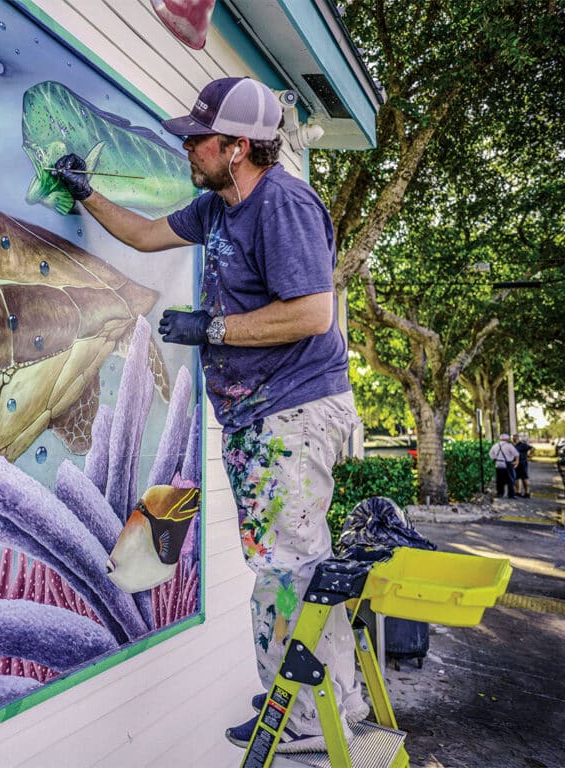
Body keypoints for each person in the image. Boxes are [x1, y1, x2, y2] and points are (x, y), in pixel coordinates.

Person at [52, 76, 367, 754]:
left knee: (286, 569)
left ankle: (308, 720)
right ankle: (325, 695)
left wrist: (214, 331)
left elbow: (313, 313)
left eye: (199, 138)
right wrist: (85, 193)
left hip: (294, 412)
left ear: (240, 147)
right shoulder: (215, 208)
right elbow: (140, 232)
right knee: (297, 563)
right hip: (262, 415)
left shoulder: (280, 205)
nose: (186, 146)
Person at [488, 433, 519, 498]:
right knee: (511, 479)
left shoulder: (495, 445)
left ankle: (500, 493)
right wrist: (516, 461)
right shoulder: (509, 446)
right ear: (507, 439)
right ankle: (511, 494)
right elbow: (516, 454)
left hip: (498, 464)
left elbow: (490, 454)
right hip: (507, 464)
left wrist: (495, 458)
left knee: (499, 480)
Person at [512, 433, 533, 498]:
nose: (513, 438)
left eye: (515, 437)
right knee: (517, 478)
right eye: (513, 437)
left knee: (524, 477)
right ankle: (518, 492)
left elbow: (532, 448)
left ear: (518, 438)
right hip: (515, 463)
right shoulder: (513, 445)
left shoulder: (523, 445)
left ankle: (527, 492)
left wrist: (530, 455)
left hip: (522, 463)